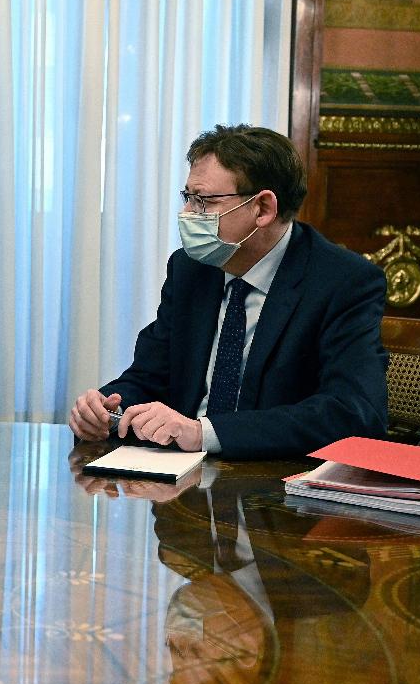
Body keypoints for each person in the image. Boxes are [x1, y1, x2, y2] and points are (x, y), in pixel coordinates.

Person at [68, 124, 387, 459]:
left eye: (204, 201)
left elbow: (354, 413)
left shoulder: (342, 281)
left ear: (263, 208)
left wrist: (204, 433)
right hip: (177, 484)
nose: (188, 214)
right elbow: (150, 375)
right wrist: (106, 407)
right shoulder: (190, 268)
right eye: (188, 198)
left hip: (273, 490)